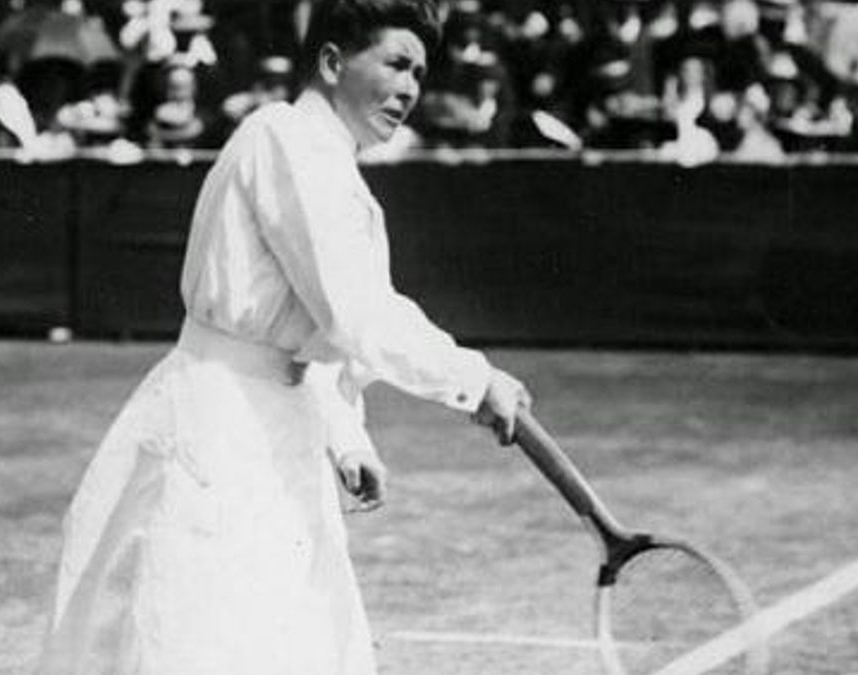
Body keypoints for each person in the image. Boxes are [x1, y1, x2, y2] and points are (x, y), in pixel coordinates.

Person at [36, 1, 531, 674]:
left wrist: (344, 432)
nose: (411, 88)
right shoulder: (285, 140)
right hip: (217, 426)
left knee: (296, 637)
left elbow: (312, 327)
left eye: (419, 70)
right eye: (395, 62)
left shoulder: (325, 159)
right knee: (205, 637)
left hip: (277, 426)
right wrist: (474, 380)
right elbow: (355, 311)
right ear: (331, 62)